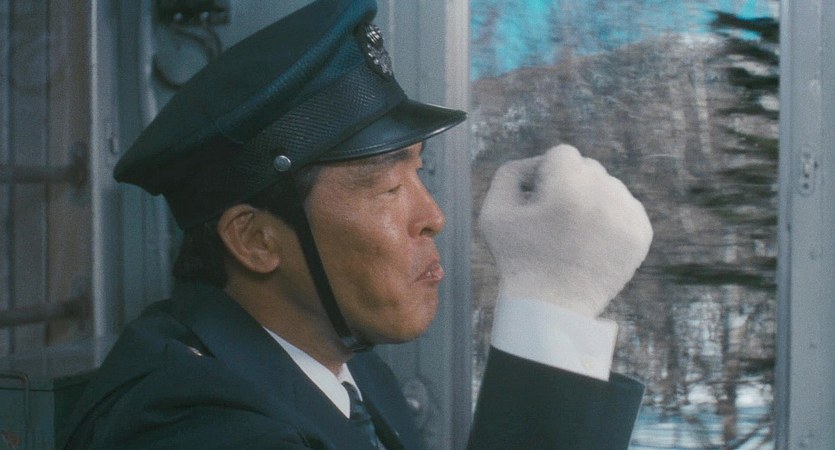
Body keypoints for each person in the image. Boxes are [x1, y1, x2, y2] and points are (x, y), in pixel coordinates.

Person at [61, 0, 653, 448]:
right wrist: (552, 308)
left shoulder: (344, 366)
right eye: (389, 188)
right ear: (255, 240)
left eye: (420, 174)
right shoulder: (197, 428)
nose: (434, 217)